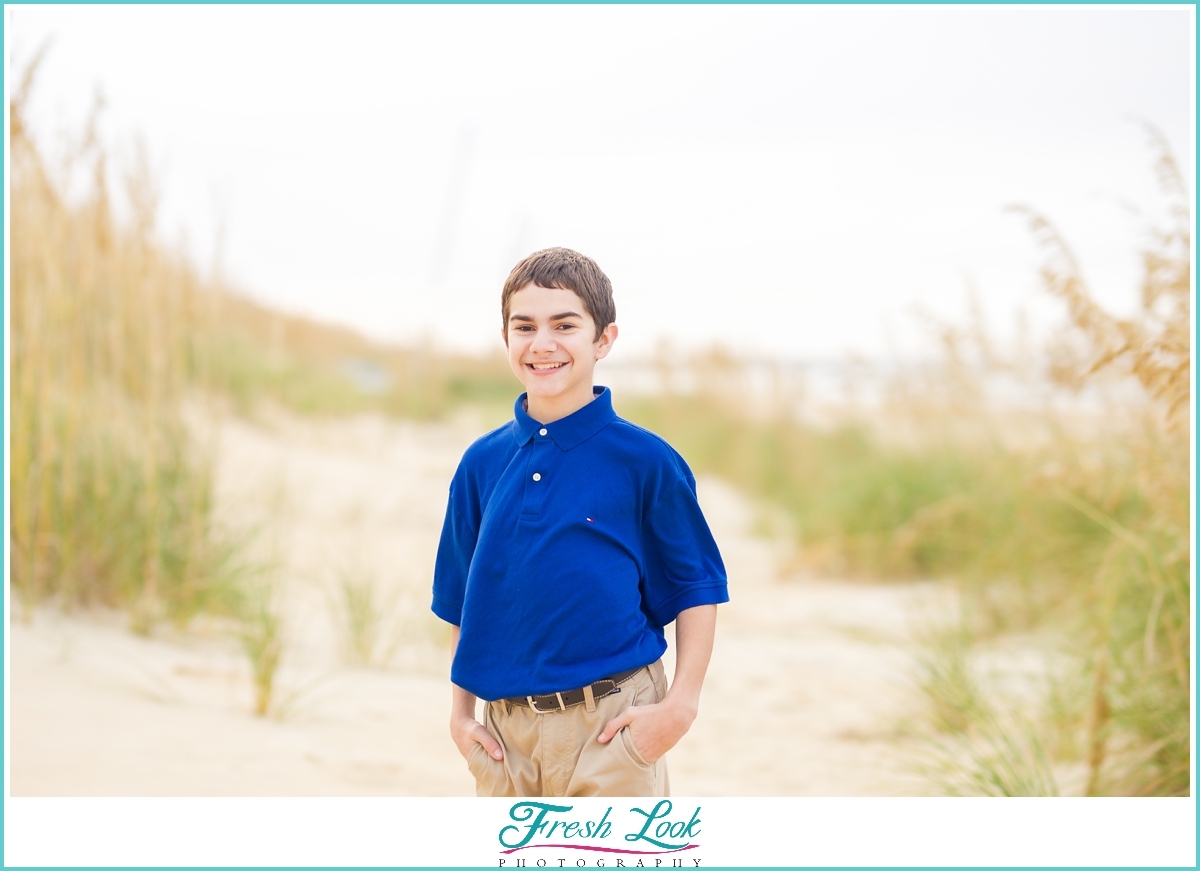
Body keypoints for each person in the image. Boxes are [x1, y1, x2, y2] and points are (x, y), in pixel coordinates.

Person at [431, 247, 728, 797]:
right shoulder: (481, 463)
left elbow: (697, 588)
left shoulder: (645, 461)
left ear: (604, 340)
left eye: (564, 325)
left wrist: (681, 707)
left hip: (612, 726)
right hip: (506, 739)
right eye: (525, 326)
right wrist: (460, 713)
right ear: (506, 340)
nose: (542, 343)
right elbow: (459, 597)